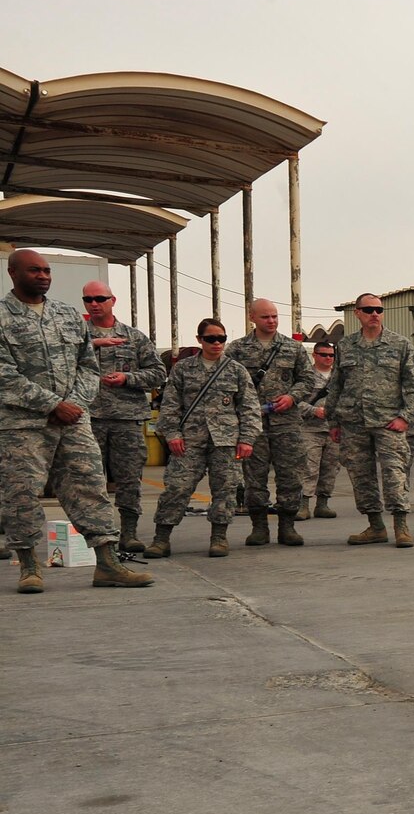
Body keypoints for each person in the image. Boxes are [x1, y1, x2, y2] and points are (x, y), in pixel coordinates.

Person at [0, 249, 152, 592]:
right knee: (20, 494)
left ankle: (107, 564)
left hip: (72, 422)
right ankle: (28, 566)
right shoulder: (1, 317)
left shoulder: (67, 315)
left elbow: (88, 365)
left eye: (46, 270)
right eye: (34, 270)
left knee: (90, 486)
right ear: (13, 273)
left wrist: (76, 404)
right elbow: (3, 375)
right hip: (22, 425)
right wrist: (53, 404)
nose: (43, 276)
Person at [144, 319, 261, 559]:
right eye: (211, 339)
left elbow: (250, 407)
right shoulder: (184, 369)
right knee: (177, 487)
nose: (217, 343)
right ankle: (161, 538)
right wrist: (173, 434)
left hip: (226, 441)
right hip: (189, 440)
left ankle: (219, 537)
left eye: (221, 338)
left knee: (226, 489)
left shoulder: (236, 370)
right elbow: (170, 405)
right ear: (199, 340)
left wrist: (247, 439)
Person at [319, 293, 414, 547]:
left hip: (389, 421)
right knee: (360, 475)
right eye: (368, 310)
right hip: (353, 423)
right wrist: (333, 423)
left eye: (378, 309)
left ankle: (401, 526)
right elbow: (336, 386)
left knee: (395, 473)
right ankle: (375, 526)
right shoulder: (345, 346)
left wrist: (406, 417)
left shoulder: (399, 345)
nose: (374, 314)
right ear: (357, 313)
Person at [81, 281, 167, 553]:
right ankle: (94, 537)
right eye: (88, 299)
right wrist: (91, 344)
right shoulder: (76, 336)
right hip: (87, 418)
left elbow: (158, 373)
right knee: (88, 480)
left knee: (129, 479)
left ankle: (128, 533)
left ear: (112, 300)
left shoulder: (134, 337)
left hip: (126, 420)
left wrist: (127, 378)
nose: (94, 304)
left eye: (99, 298)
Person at [224, 298, 315, 546]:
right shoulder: (237, 349)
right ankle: (259, 527)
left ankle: (288, 525)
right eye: (266, 317)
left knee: (290, 476)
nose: (272, 321)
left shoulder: (292, 348)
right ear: (252, 317)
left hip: (287, 424)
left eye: (275, 316)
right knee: (254, 477)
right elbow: (226, 383)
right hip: (253, 426)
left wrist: (291, 397)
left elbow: (308, 379)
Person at [301, 339, 341, 518]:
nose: (328, 358)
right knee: (309, 467)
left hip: (333, 429)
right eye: (324, 355)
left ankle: (322, 503)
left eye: (331, 355)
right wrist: (313, 410)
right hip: (309, 428)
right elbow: (294, 401)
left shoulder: (339, 377)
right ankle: (303, 504)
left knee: (330, 468)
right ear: (314, 355)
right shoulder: (305, 376)